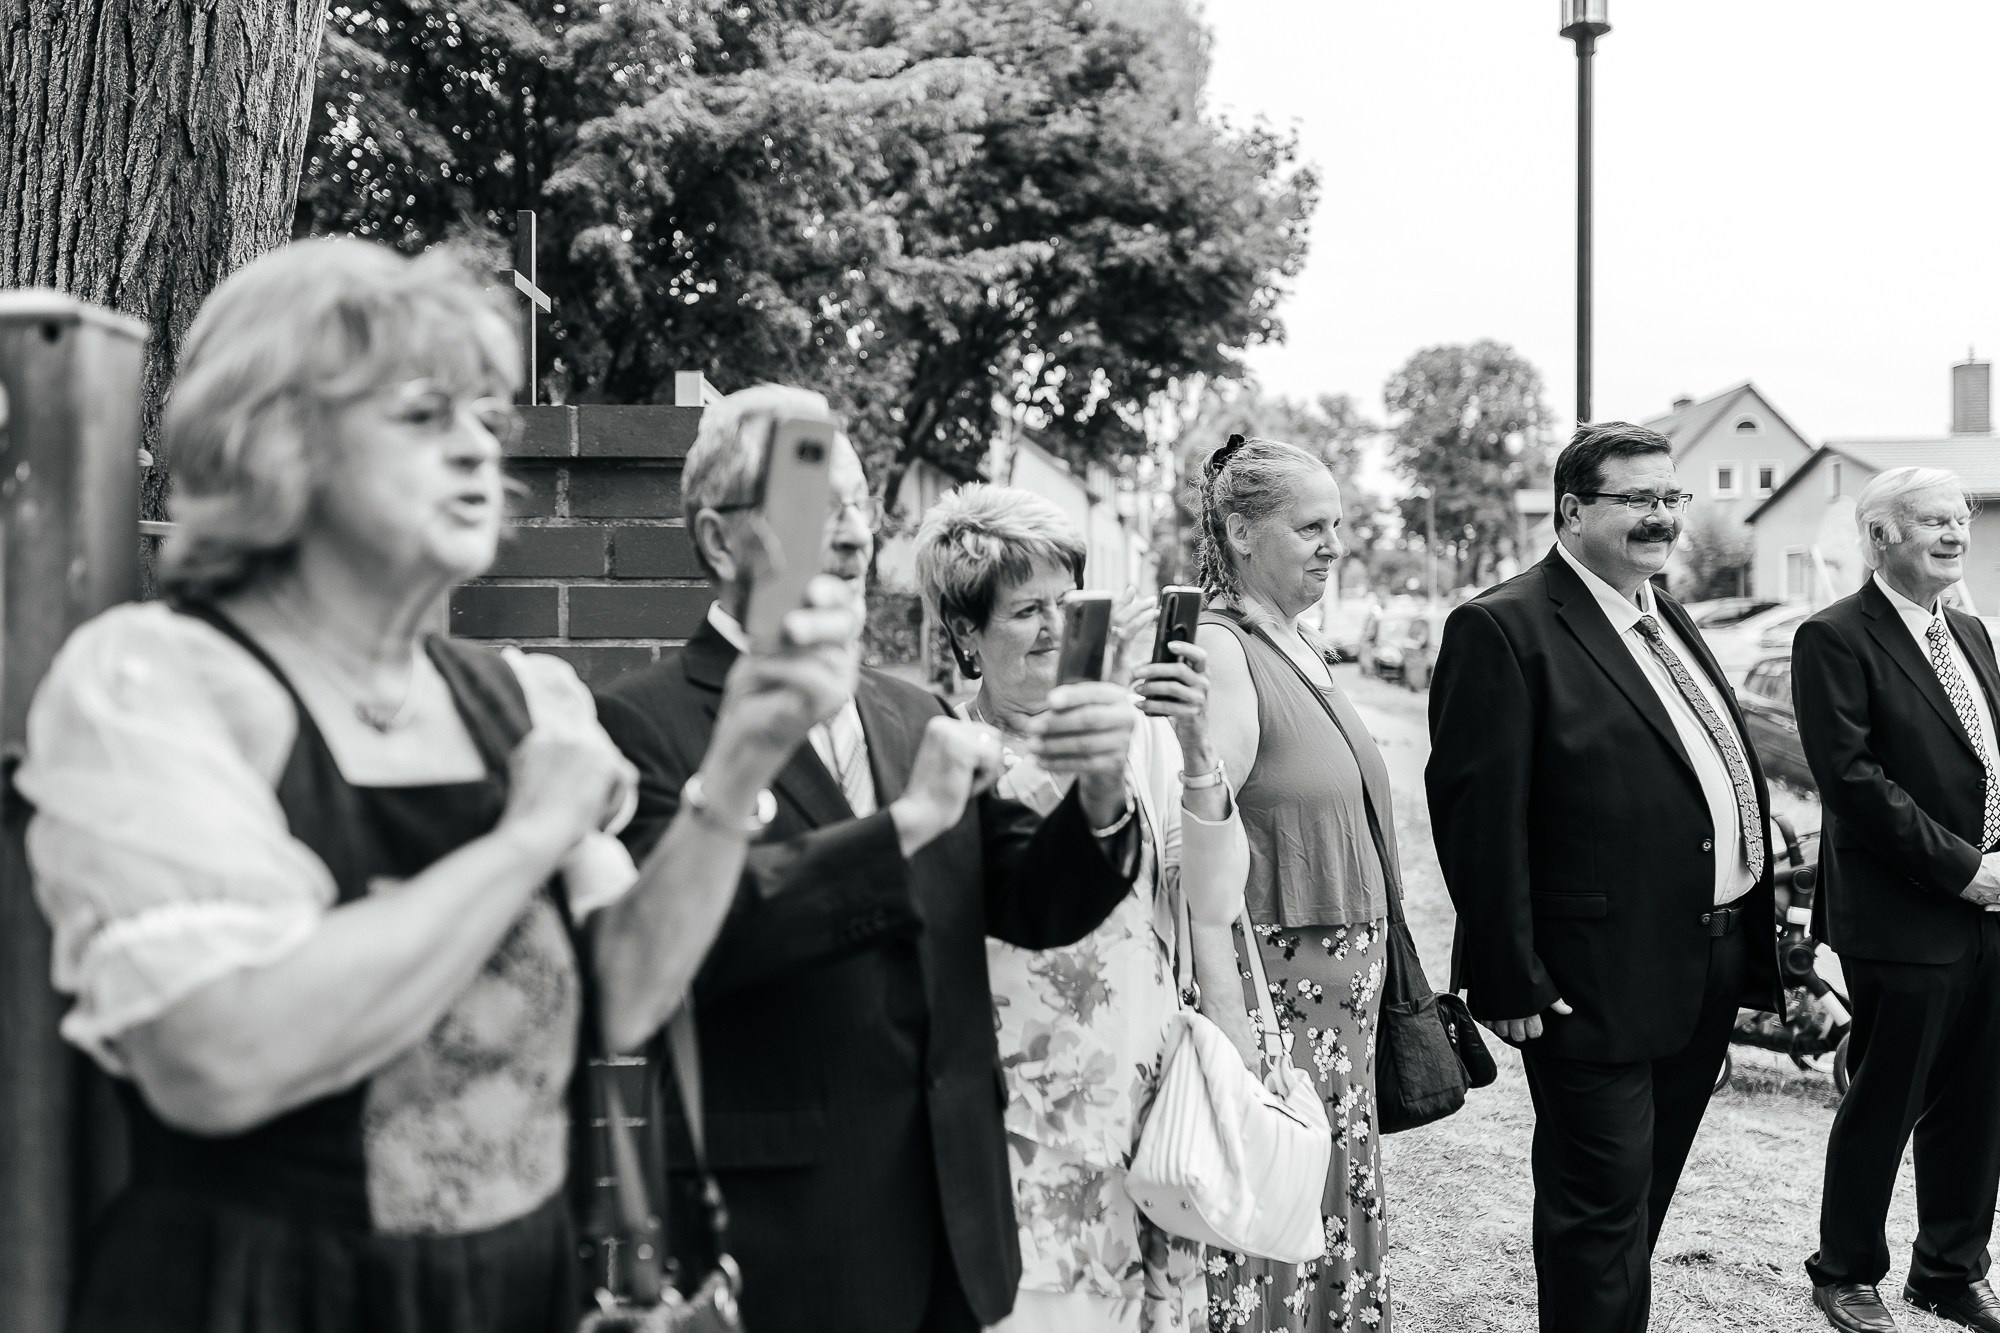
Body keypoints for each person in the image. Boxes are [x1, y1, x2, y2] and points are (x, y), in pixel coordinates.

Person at [15, 239, 862, 1333]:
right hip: (263, 1294)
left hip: (509, 1292)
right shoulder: (160, 681)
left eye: (483, 418)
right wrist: (520, 841)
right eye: (420, 417)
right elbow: (216, 1057)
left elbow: (628, 991)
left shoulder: (517, 701)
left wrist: (739, 762)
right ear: (272, 439)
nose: (473, 449)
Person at [592, 386, 1144, 1333]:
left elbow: (1027, 899)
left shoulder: (911, 710)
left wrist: (1100, 794)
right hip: (791, 1236)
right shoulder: (644, 722)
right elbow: (689, 955)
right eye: (815, 508)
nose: (852, 539)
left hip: (957, 1214)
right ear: (722, 544)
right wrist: (903, 827)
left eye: (860, 509)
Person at [1425, 421, 1782, 1333]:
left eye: (1672, 498)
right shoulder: (1501, 627)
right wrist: (1505, 971)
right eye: (1638, 499)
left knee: (1637, 1206)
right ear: (1573, 509)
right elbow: (1478, 818)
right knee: (1598, 1216)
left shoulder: (1665, 611)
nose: (1662, 517)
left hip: (1700, 965)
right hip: (1591, 979)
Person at [913, 483, 1255, 1333]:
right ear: (965, 632)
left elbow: (1212, 897)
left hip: (1149, 1113)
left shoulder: (1130, 736)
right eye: (1027, 609)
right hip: (1029, 1127)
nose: (1056, 626)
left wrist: (1196, 743)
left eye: (1068, 602)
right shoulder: (950, 757)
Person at [1190, 433, 1403, 1333]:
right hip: (1279, 980)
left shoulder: (1297, 639)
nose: (1332, 544)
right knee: (1277, 1182)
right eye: (1309, 526)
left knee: (1321, 1175)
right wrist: (1231, 1009)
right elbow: (1198, 821)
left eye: (1339, 525)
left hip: (1334, 989)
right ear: (1241, 532)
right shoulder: (1225, 648)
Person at [1796, 468, 2000, 1333]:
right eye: (1932, 521)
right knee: (1888, 1095)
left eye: (1960, 519)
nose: (1955, 533)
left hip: (1991, 905)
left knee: (1981, 1099)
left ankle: (1948, 1271)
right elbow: (1854, 783)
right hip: (1908, 910)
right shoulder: (1834, 637)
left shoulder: (1973, 631)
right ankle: (1845, 1270)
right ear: (1881, 535)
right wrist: (1963, 868)